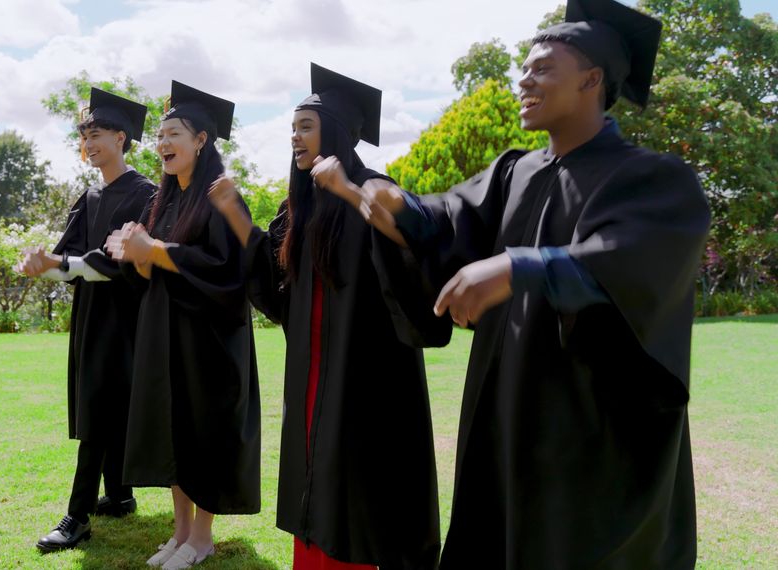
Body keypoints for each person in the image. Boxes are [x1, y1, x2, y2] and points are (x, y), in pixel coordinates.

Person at [322, 0, 709, 567]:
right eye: (524, 68)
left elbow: (631, 266)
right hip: (505, 407)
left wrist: (517, 266)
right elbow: (450, 219)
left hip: (590, 420)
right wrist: (400, 210)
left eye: (542, 68)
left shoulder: (653, 178)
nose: (523, 80)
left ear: (592, 79)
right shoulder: (515, 171)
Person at [208, 63, 446, 570]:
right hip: (312, 371)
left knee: (355, 481)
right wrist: (234, 215)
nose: (294, 136)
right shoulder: (299, 206)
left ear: (335, 132)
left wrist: (349, 192)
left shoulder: (375, 190)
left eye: (306, 126)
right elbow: (277, 290)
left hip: (365, 375)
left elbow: (415, 252)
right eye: (292, 127)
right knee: (313, 478)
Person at [105, 81, 260, 569]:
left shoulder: (220, 197)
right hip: (167, 335)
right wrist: (137, 257)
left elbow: (230, 273)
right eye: (161, 136)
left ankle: (203, 536)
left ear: (202, 140)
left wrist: (158, 252)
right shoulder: (166, 201)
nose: (164, 144)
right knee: (174, 429)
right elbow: (151, 271)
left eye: (175, 133)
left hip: (210, 340)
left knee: (205, 430)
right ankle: (179, 532)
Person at [17, 89, 156, 551]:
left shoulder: (146, 195)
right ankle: (118, 495)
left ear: (121, 137)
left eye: (96, 134)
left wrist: (65, 264)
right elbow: (70, 253)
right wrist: (45, 262)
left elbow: (121, 260)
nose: (88, 142)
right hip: (92, 315)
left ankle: (76, 516)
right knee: (102, 400)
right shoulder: (91, 195)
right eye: (84, 136)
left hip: (125, 315)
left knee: (100, 408)